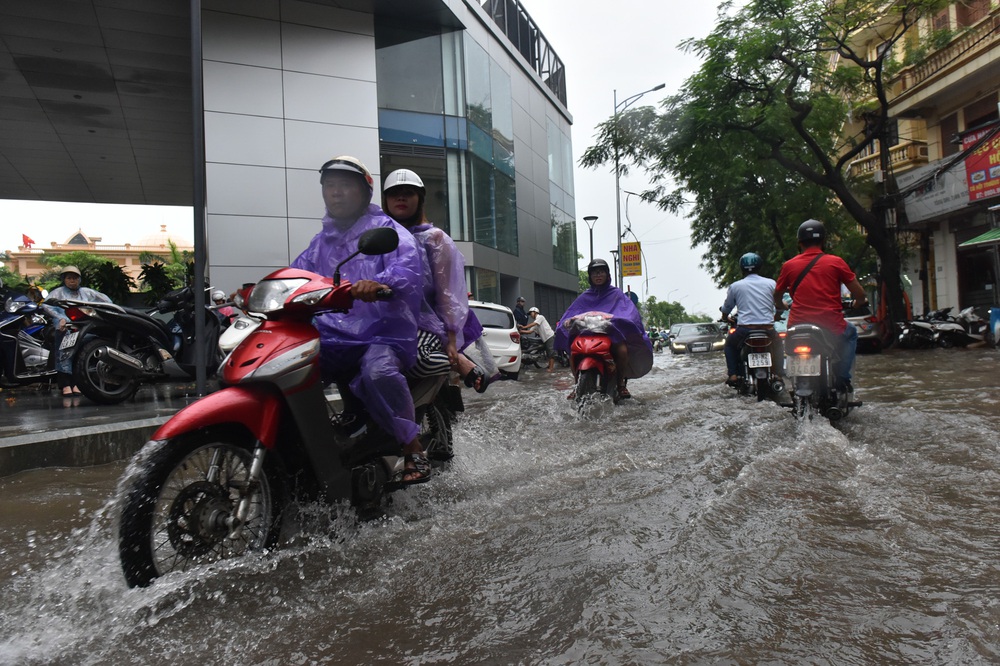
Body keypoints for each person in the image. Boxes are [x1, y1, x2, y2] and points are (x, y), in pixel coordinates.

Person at [290, 155, 430, 485]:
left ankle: (413, 449)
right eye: (330, 186)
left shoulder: (388, 232)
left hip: (382, 332)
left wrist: (382, 284)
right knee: (290, 368)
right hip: (334, 334)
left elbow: (407, 269)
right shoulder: (320, 242)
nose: (336, 193)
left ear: (365, 193)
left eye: (345, 186)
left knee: (377, 370)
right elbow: (298, 275)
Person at [381, 168, 491, 393]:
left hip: (425, 322)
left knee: (419, 360)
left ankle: (460, 362)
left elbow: (447, 292)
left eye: (407, 193)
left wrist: (450, 339)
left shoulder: (435, 239)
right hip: (384, 319)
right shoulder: (381, 235)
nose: (400, 197)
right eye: (394, 193)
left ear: (420, 199)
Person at [774, 219, 868, 395]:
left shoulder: (789, 265)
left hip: (796, 326)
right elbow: (860, 294)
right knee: (851, 333)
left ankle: (796, 384)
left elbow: (777, 297)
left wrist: (782, 306)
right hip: (830, 325)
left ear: (799, 243)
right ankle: (842, 379)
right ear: (823, 241)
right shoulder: (836, 262)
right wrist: (858, 303)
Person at [554, 258, 653, 399]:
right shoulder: (585, 296)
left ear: (607, 275)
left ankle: (620, 385)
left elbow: (629, 312)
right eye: (594, 273)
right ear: (590, 276)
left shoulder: (617, 294)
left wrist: (622, 320)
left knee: (622, 350)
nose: (598, 275)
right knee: (572, 351)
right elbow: (571, 313)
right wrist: (566, 322)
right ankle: (577, 385)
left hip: (611, 336)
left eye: (601, 272)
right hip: (586, 337)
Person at [43, 266, 112, 396]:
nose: (72, 281)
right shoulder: (57, 293)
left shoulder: (87, 292)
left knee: (81, 353)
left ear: (79, 279)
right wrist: (61, 318)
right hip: (65, 325)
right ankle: (65, 385)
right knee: (65, 352)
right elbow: (46, 306)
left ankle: (77, 384)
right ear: (64, 280)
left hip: (84, 325)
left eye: (75, 278)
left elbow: (106, 301)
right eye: (69, 278)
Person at [720, 252, 781, 386]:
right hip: (768, 329)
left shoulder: (736, 286)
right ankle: (777, 374)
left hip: (745, 331)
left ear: (741, 268)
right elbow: (778, 303)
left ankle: (734, 375)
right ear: (760, 266)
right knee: (778, 346)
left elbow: (727, 307)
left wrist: (725, 317)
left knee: (729, 346)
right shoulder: (771, 283)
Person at [521, 306, 556, 371]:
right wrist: (520, 331)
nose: (531, 315)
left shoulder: (540, 317)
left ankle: (551, 369)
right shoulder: (536, 323)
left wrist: (524, 327)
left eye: (531, 313)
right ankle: (549, 366)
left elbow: (533, 324)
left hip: (549, 337)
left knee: (551, 353)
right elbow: (529, 331)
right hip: (545, 339)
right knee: (548, 353)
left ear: (535, 312)